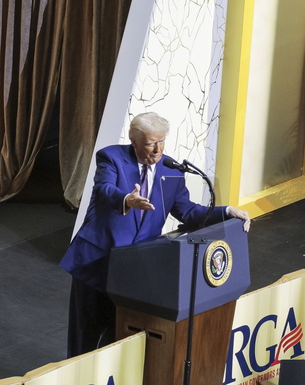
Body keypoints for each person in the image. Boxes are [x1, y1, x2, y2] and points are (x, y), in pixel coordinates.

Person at [59, 112, 251, 357]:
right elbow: (104, 189)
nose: (157, 149)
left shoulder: (170, 170)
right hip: (99, 262)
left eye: (161, 142)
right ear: (134, 140)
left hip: (136, 266)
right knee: (85, 336)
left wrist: (227, 212)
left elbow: (189, 211)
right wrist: (127, 199)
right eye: (150, 143)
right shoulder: (111, 158)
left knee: (119, 334)